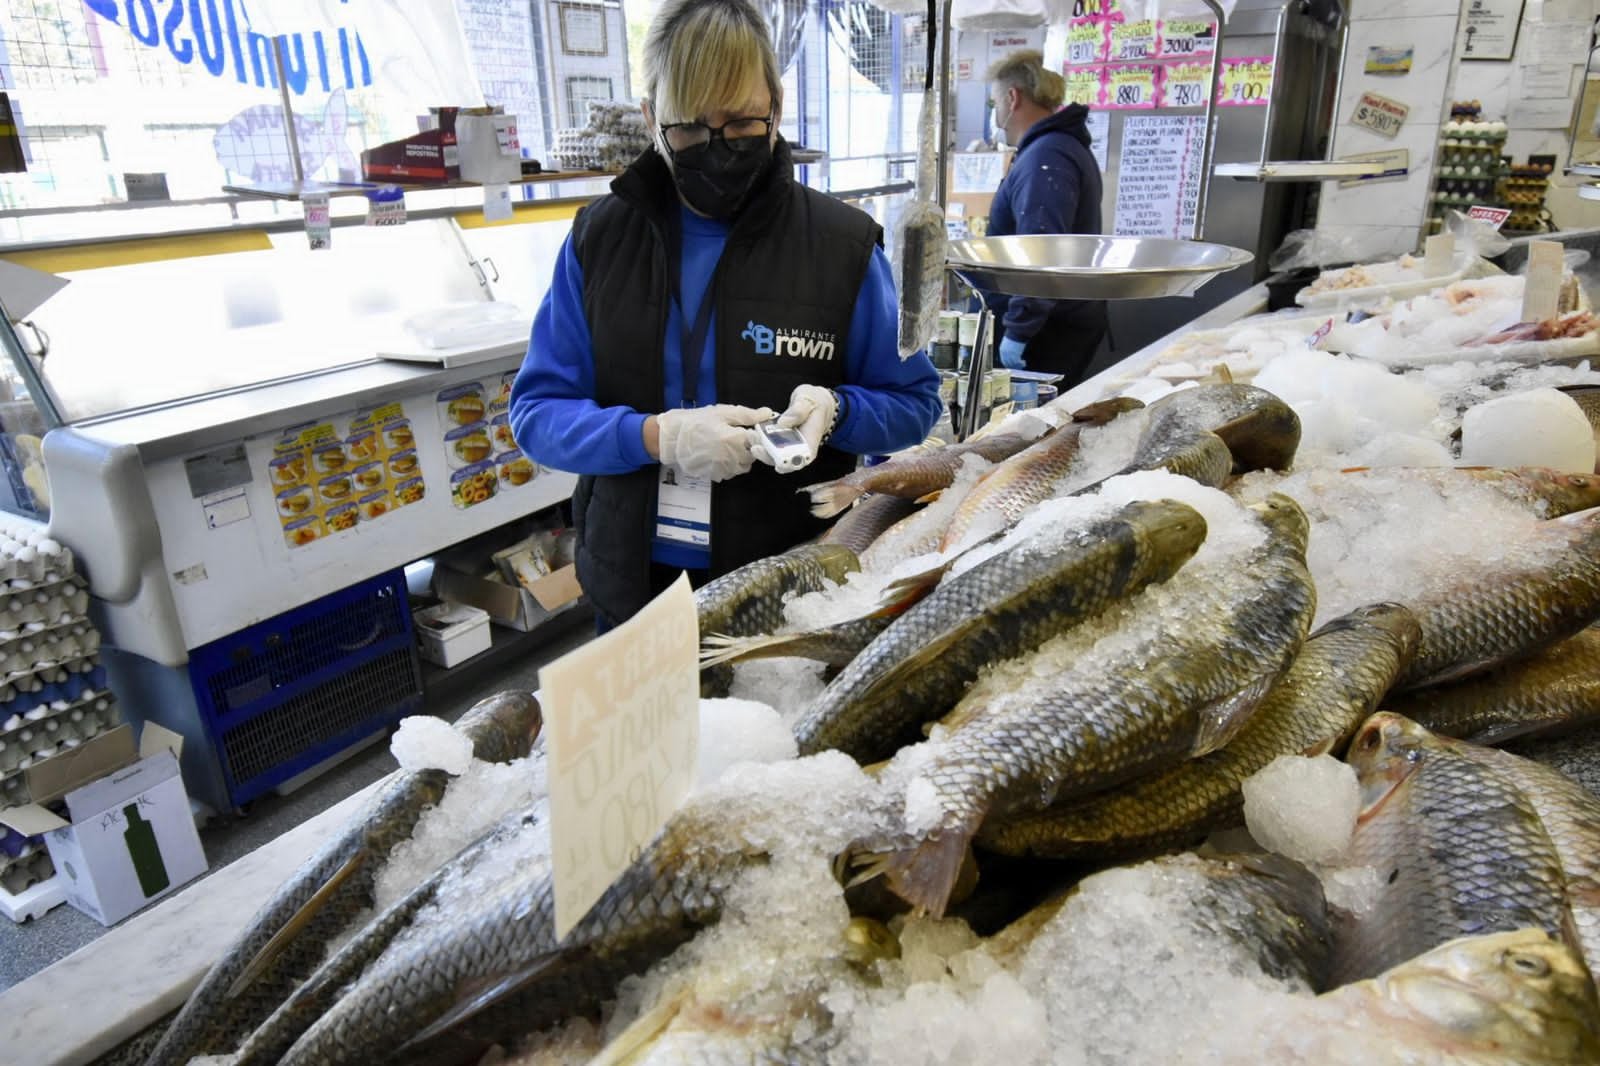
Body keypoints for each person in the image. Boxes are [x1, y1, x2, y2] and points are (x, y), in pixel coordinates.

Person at [509, 0, 942, 631]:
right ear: (651, 118)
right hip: (633, 589)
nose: (717, 149)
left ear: (777, 106)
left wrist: (839, 413)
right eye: (689, 128)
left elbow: (913, 404)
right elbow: (538, 414)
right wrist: (655, 437)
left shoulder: (841, 247)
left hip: (792, 587)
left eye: (741, 123)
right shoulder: (598, 241)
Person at [985, 50, 1108, 386]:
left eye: (994, 102)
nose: (995, 114)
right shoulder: (1056, 147)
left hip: (1045, 333)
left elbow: (1041, 251)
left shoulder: (1047, 156)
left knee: (1033, 418)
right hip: (1054, 323)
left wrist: (1018, 331)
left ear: (1012, 98)